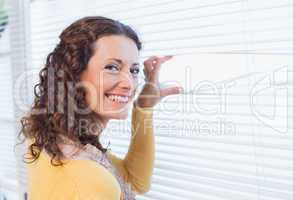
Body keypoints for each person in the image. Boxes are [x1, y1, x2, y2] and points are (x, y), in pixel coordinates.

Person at [18, 16, 182, 200]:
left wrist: (142, 107)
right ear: (74, 73)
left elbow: (135, 182)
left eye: (134, 70)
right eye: (112, 67)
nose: (129, 84)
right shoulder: (93, 181)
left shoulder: (46, 136)